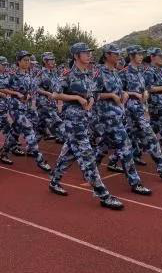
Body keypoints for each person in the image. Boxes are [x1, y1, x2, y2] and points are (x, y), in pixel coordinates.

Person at [49, 42, 124, 210]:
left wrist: (90, 99)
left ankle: (54, 181)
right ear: (76, 56)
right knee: (87, 157)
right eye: (85, 53)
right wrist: (76, 98)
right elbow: (55, 94)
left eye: (90, 52)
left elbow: (94, 93)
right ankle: (103, 195)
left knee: (69, 153)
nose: (89, 55)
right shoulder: (68, 74)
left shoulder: (90, 73)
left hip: (86, 119)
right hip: (73, 120)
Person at [93, 44, 153, 195]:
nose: (119, 56)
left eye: (119, 54)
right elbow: (93, 94)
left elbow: (120, 90)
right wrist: (111, 96)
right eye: (115, 54)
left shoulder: (115, 72)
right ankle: (135, 182)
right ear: (107, 55)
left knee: (103, 145)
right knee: (126, 148)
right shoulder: (99, 72)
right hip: (106, 116)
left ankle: (90, 168)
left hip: (118, 114)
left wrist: (124, 94)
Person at [120, 46, 162, 184]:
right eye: (138, 54)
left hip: (140, 111)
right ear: (131, 55)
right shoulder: (123, 73)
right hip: (128, 113)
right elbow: (119, 92)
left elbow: (146, 88)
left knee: (147, 139)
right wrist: (133, 94)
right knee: (128, 141)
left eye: (142, 54)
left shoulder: (141, 71)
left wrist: (145, 92)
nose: (141, 56)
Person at [0, 50, 51, 172]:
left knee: (15, 131)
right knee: (28, 129)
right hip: (15, 107)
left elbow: (33, 89)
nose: (27, 62)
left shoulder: (29, 75)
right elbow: (1, 88)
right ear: (18, 62)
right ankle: (40, 160)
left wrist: (32, 96)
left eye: (28, 60)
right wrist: (16, 93)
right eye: (25, 60)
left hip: (26, 107)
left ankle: (3, 152)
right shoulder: (12, 75)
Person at [35, 52, 65, 143]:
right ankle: (66, 138)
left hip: (52, 101)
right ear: (45, 61)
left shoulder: (54, 73)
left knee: (41, 124)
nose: (53, 61)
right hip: (43, 102)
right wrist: (47, 93)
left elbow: (57, 87)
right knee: (57, 121)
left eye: (53, 59)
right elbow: (35, 87)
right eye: (50, 60)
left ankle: (33, 142)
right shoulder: (41, 73)